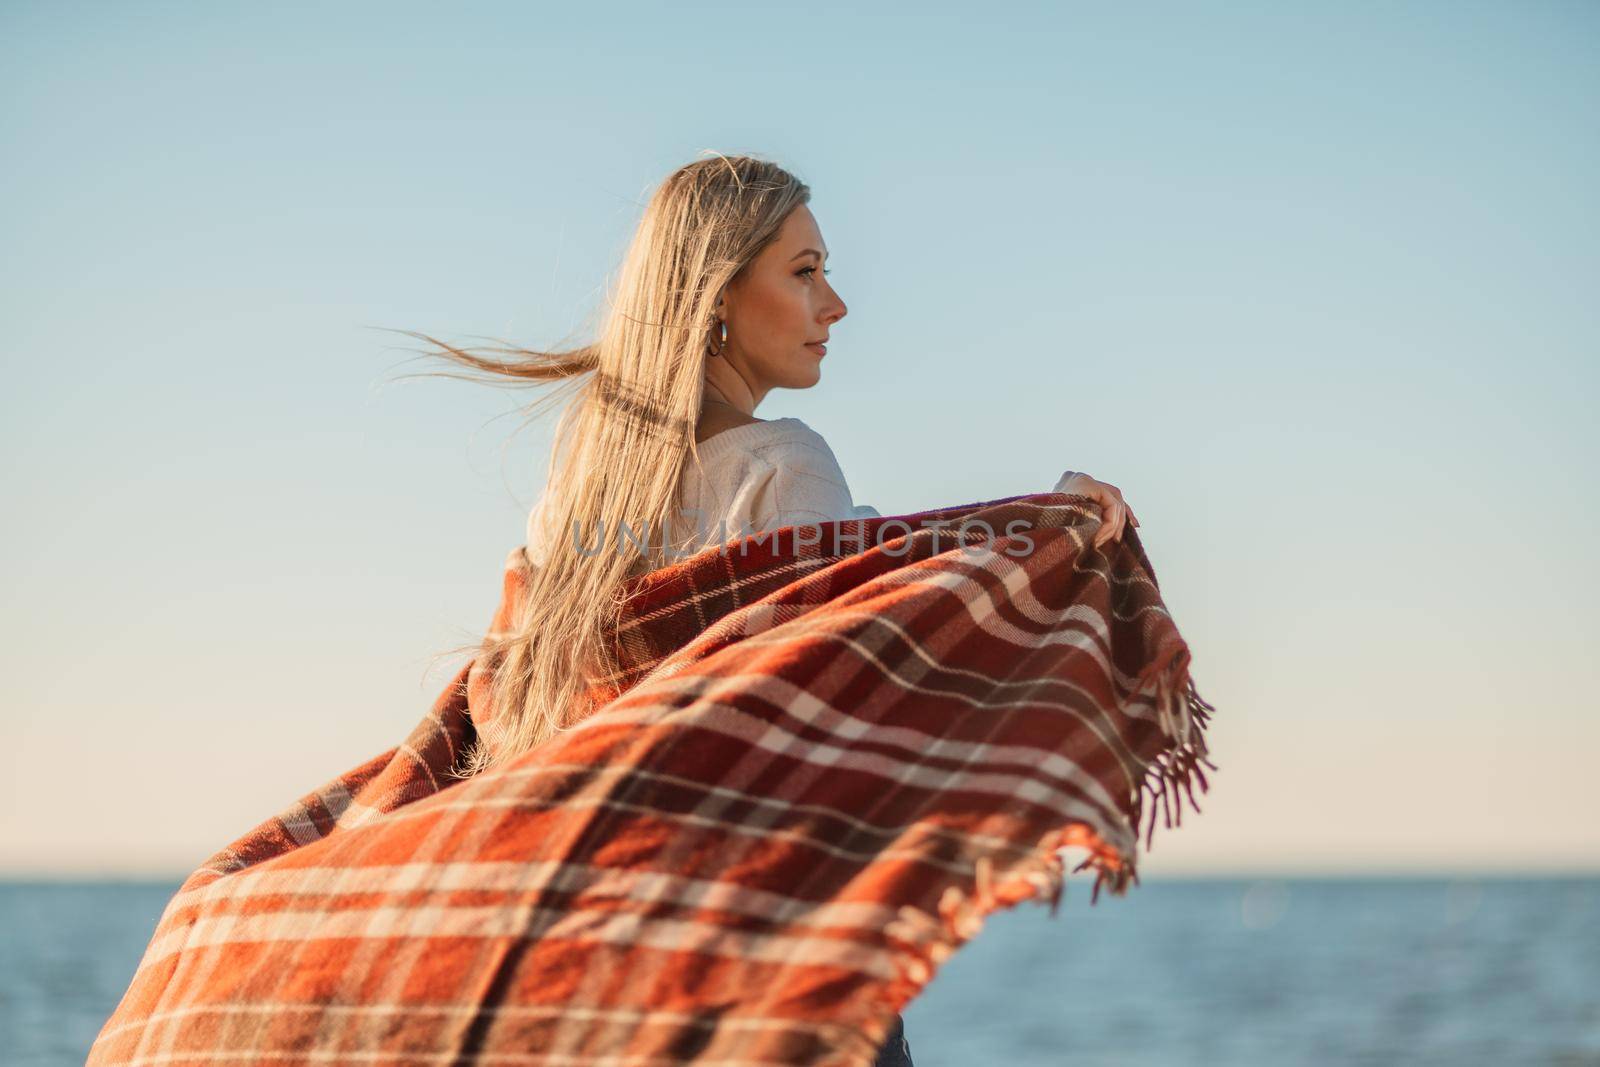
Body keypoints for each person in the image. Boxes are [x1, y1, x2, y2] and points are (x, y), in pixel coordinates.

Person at [405, 153, 1138, 1064]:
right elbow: (870, 643)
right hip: (777, 978)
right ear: (717, 293)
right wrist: (1047, 528)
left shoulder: (577, 493)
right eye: (805, 272)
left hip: (610, 982)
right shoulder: (781, 464)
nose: (835, 304)